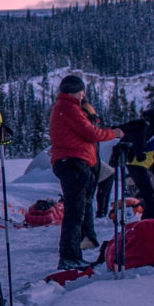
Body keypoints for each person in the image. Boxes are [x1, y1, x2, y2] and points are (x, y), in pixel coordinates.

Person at [48, 74, 123, 269]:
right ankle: (69, 257)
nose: (83, 95)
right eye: (82, 91)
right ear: (76, 90)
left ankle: (74, 254)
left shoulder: (66, 107)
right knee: (75, 213)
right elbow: (91, 133)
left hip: (74, 163)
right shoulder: (69, 108)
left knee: (77, 211)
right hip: (74, 164)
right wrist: (114, 133)